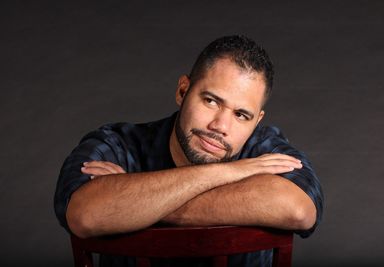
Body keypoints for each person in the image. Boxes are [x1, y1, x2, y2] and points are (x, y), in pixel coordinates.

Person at [54, 35, 323, 267]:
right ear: (183, 91)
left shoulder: (265, 150)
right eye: (210, 101)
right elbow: (85, 214)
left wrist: (134, 204)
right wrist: (229, 172)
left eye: (241, 115)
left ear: (257, 121)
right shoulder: (119, 144)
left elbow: (299, 209)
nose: (220, 126)